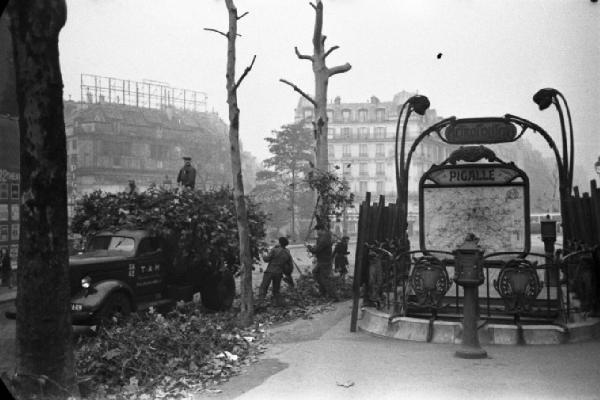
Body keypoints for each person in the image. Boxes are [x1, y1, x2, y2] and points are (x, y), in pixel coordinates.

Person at [307, 223, 338, 301]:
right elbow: (319, 248)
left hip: (325, 261)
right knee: (316, 273)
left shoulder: (324, 238)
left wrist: (309, 247)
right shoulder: (324, 237)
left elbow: (317, 249)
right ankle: (323, 292)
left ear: (321, 230)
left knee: (325, 278)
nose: (317, 232)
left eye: (317, 230)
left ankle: (334, 296)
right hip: (322, 260)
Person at [259, 237, 294, 305]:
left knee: (263, 288)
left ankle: (260, 303)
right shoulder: (287, 252)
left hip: (270, 271)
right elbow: (290, 264)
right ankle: (278, 303)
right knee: (276, 290)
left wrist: (263, 254)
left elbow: (266, 259)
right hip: (279, 273)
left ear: (280, 243)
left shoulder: (274, 250)